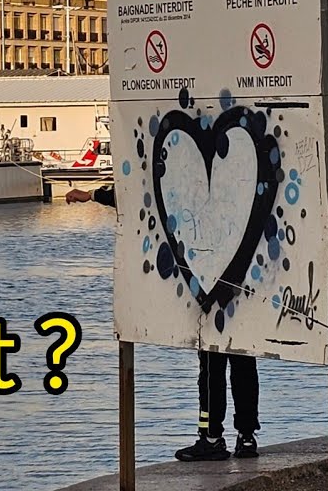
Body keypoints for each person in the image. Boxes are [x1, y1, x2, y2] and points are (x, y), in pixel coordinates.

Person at [66, 185, 260, 462]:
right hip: (240, 287)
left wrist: (95, 195)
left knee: (212, 370)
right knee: (241, 364)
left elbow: (142, 193)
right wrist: (96, 196)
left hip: (211, 286)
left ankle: (213, 438)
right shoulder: (238, 181)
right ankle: (246, 436)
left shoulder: (191, 181)